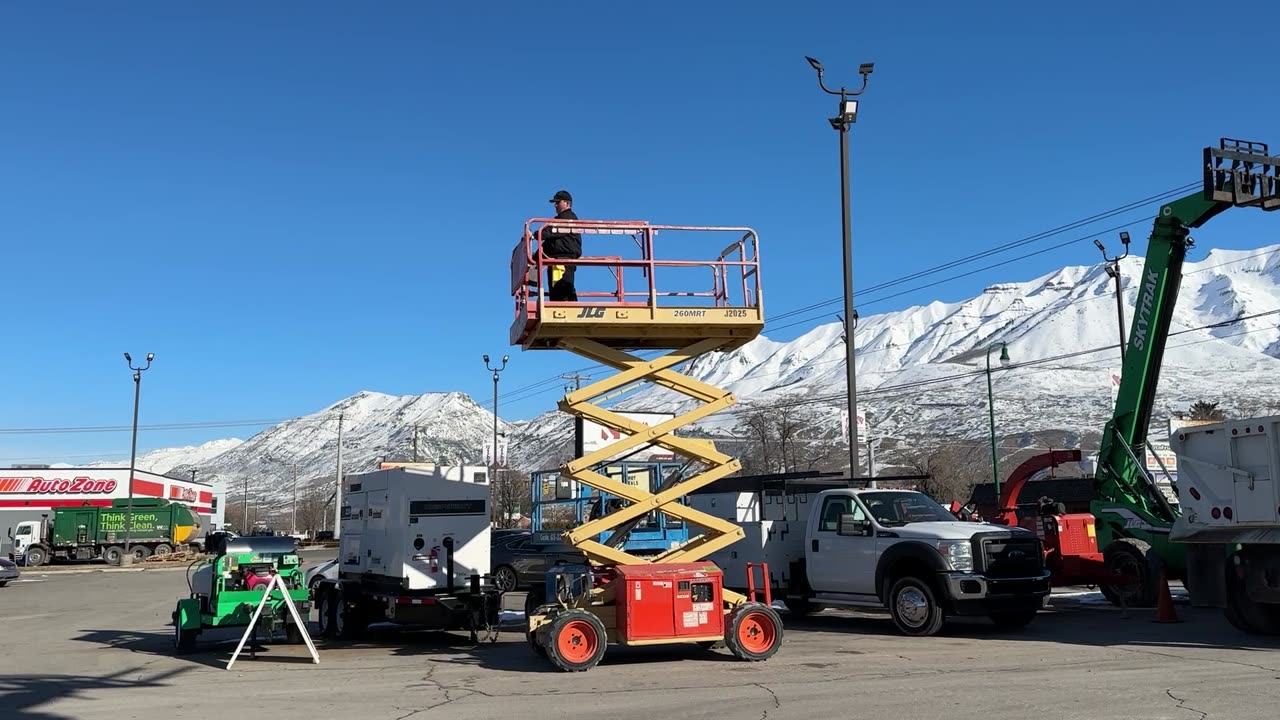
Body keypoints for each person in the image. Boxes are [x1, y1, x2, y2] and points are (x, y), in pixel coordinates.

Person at [538, 190, 581, 301]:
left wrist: (535, 235)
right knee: (558, 292)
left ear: (566, 203)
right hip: (556, 261)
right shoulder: (562, 220)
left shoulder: (568, 218)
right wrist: (536, 256)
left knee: (564, 289)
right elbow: (549, 242)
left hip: (564, 260)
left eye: (558, 202)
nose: (555, 205)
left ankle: (571, 308)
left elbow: (550, 232)